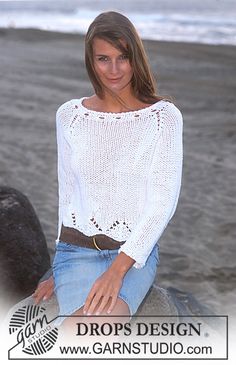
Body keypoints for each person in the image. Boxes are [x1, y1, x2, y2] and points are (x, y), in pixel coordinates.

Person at [32, 11, 183, 334]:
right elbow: (68, 194)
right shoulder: (69, 115)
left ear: (135, 59)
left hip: (131, 257)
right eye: (103, 58)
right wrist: (56, 270)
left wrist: (116, 271)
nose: (114, 69)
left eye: (122, 58)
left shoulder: (163, 117)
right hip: (75, 253)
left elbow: (162, 204)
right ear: (91, 60)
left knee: (92, 334)